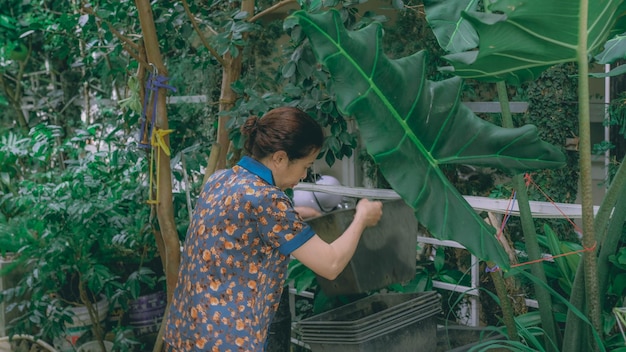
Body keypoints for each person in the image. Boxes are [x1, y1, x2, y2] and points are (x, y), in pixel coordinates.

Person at [163, 106, 383, 351]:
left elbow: (240, 226)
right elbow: (330, 264)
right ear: (280, 158)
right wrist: (361, 217)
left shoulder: (221, 179)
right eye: (305, 166)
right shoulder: (268, 200)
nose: (303, 175)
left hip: (187, 332)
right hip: (227, 340)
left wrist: (296, 217)